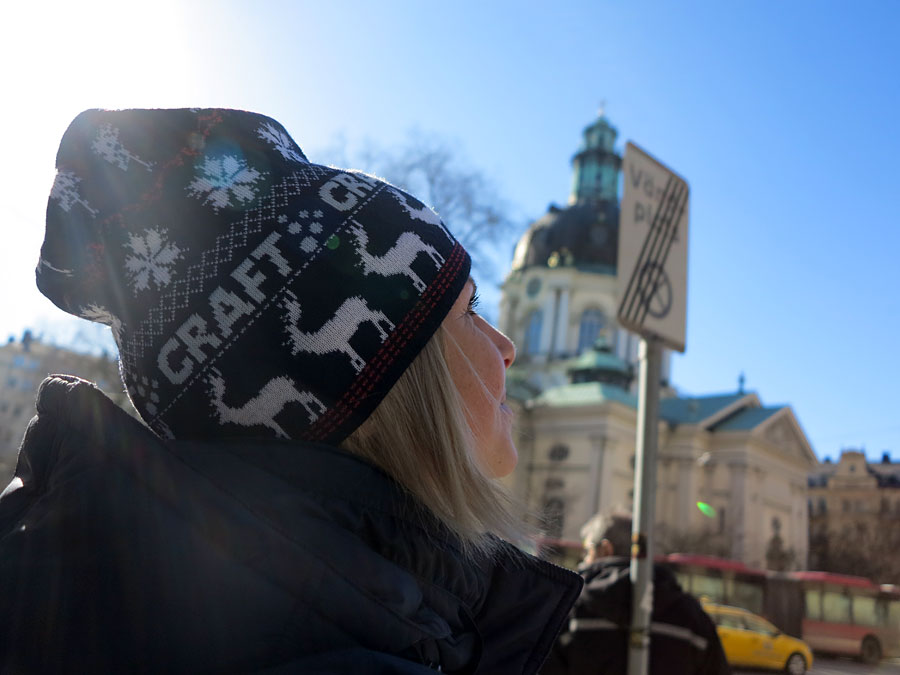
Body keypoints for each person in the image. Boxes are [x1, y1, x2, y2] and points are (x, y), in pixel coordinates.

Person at [0, 108, 583, 674]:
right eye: (470, 310)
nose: (506, 345)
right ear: (390, 375)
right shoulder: (359, 641)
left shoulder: (110, 598)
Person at [541, 511, 730, 675]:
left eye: (587, 551)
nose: (583, 561)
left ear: (605, 549)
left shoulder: (570, 609)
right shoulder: (692, 618)